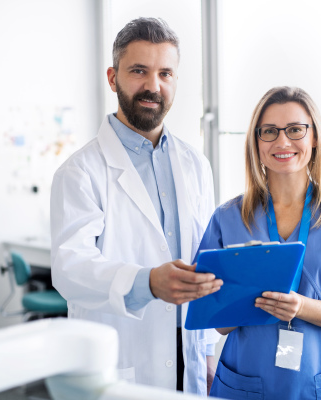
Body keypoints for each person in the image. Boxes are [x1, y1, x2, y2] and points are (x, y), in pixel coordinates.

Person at [50, 17, 222, 396]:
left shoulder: (196, 165)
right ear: (113, 78)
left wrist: (208, 352)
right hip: (122, 355)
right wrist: (147, 282)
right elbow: (69, 269)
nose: (153, 86)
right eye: (139, 71)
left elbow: (206, 262)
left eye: (165, 73)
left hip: (188, 354)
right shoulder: (80, 171)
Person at [197, 86, 321, 399]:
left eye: (295, 129)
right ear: (256, 141)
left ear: (314, 137)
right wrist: (240, 289)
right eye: (269, 131)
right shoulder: (227, 218)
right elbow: (218, 324)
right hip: (247, 380)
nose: (282, 141)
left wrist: (301, 306)